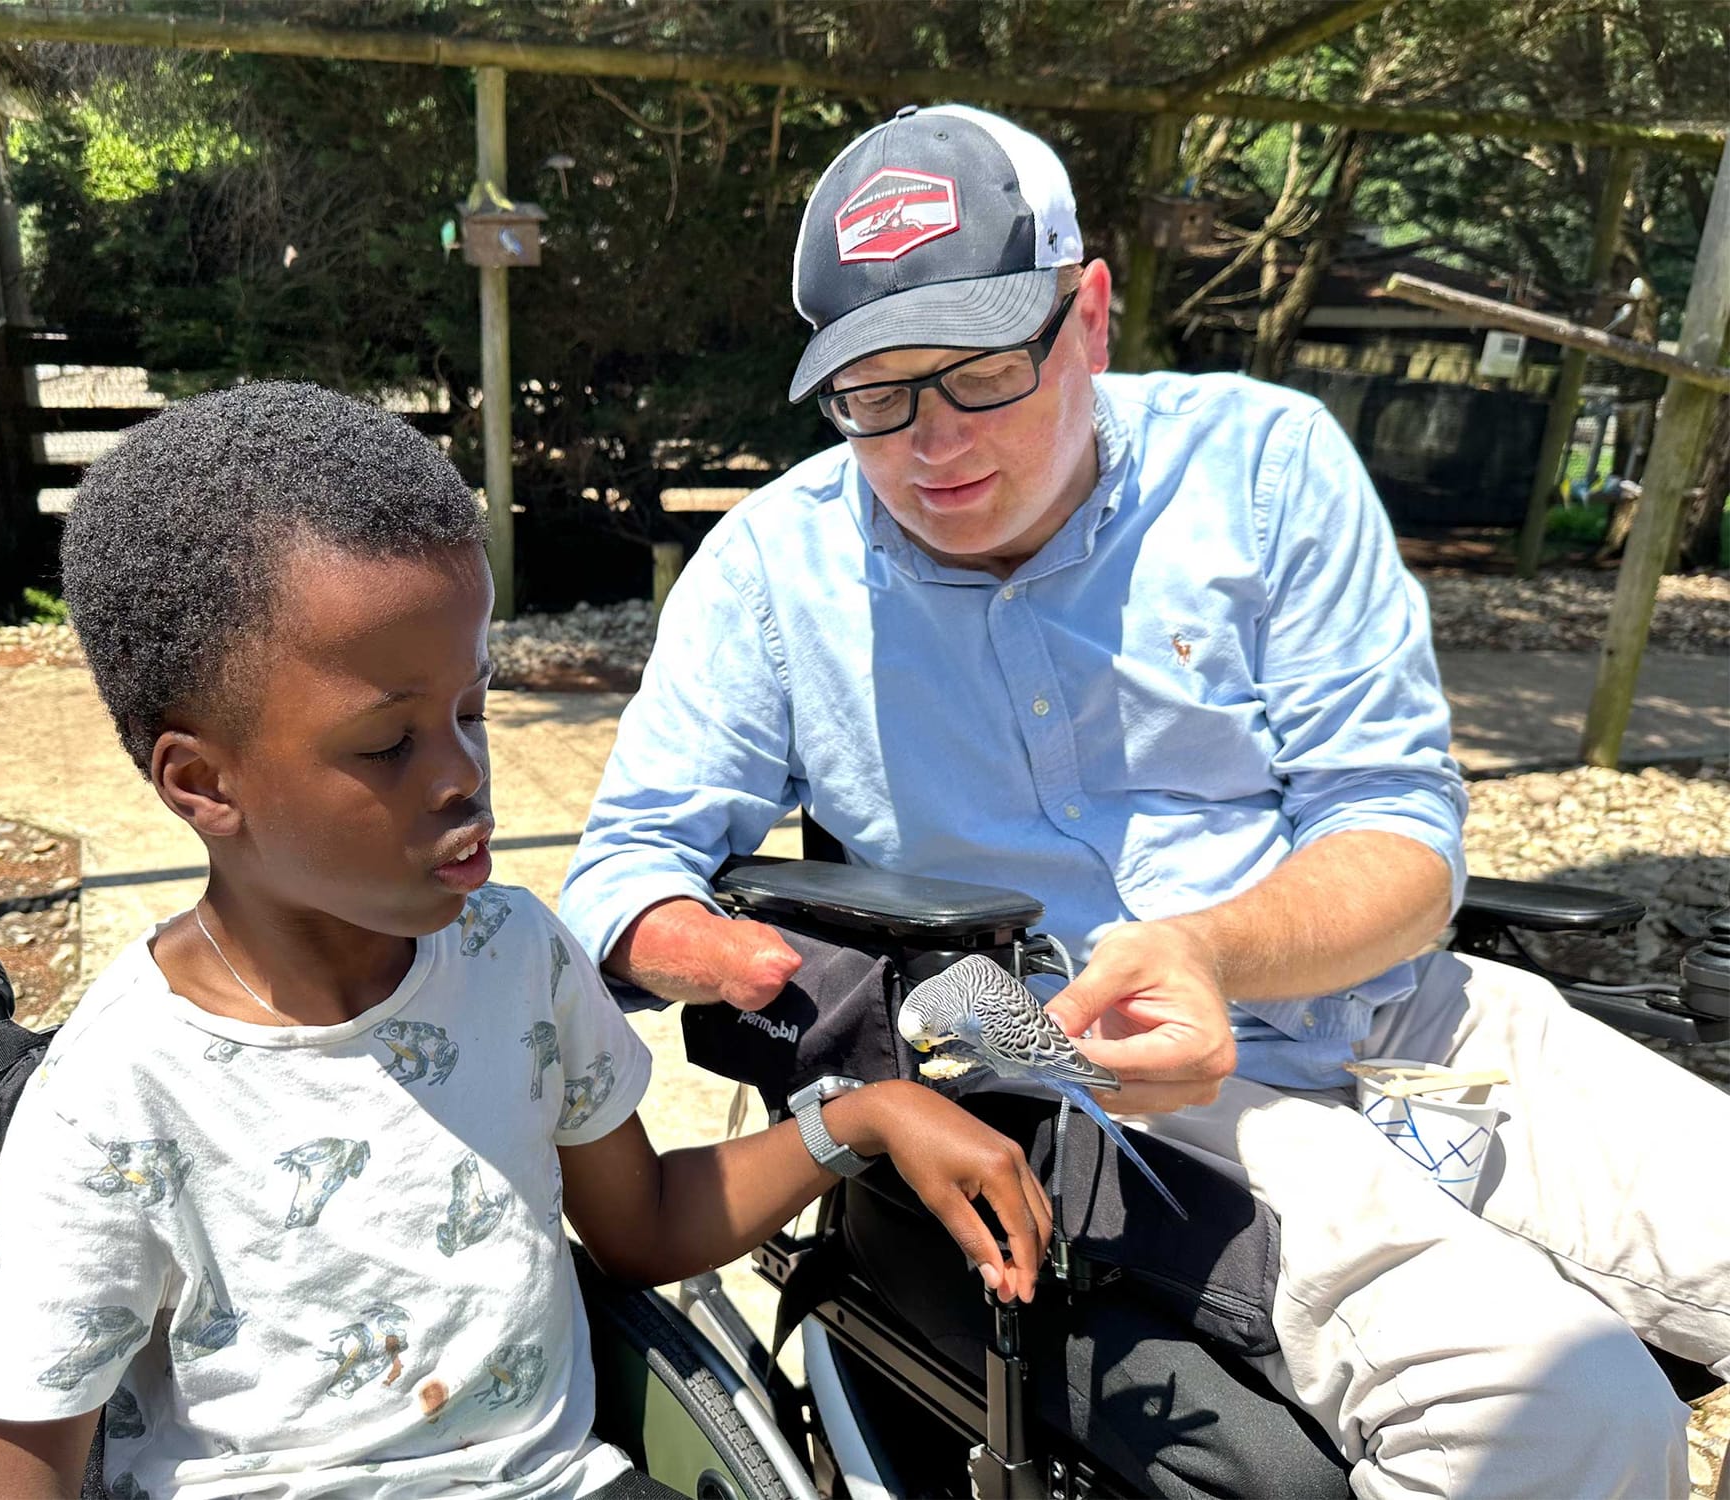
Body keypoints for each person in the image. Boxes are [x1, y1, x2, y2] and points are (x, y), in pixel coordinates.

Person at [559, 105, 1728, 1497]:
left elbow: (1403, 836)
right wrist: (790, 969)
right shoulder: (770, 571)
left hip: (1401, 1004)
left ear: (1089, 314)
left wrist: (1212, 951)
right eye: (876, 394)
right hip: (1095, 1073)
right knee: (1556, 1405)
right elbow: (621, 877)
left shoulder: (1266, 469)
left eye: (983, 370)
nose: (931, 442)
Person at [0, 382, 1052, 1500]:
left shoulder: (515, 957)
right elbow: (6, 1472)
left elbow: (644, 1226)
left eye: (471, 710)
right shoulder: (114, 1096)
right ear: (201, 781)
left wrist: (863, 1116)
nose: (463, 774)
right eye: (387, 747)